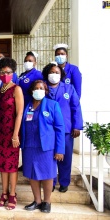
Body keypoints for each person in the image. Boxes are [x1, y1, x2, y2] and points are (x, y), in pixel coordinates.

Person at [22, 80, 65, 213]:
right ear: (32, 91)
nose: (39, 90)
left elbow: (60, 128)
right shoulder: (27, 106)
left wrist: (60, 149)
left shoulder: (53, 105)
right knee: (32, 174)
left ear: (46, 91)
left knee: (47, 174)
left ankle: (47, 201)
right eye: (36, 88)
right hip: (29, 146)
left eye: (42, 88)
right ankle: (37, 201)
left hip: (46, 147)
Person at [42, 63, 83, 192]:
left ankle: (64, 182)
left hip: (66, 129)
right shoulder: (41, 87)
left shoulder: (69, 88)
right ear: (47, 73)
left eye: (57, 73)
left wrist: (77, 126)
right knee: (50, 157)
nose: (54, 75)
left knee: (65, 157)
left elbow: (76, 108)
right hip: (48, 130)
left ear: (61, 75)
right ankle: (51, 182)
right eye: (52, 72)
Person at [0, 57, 24, 210]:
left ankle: (12, 194)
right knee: (2, 165)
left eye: (8, 72)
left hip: (12, 133)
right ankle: (3, 193)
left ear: (13, 72)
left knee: (11, 165)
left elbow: (19, 113)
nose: (5, 74)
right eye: (2, 72)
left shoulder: (16, 89)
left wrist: (15, 134)